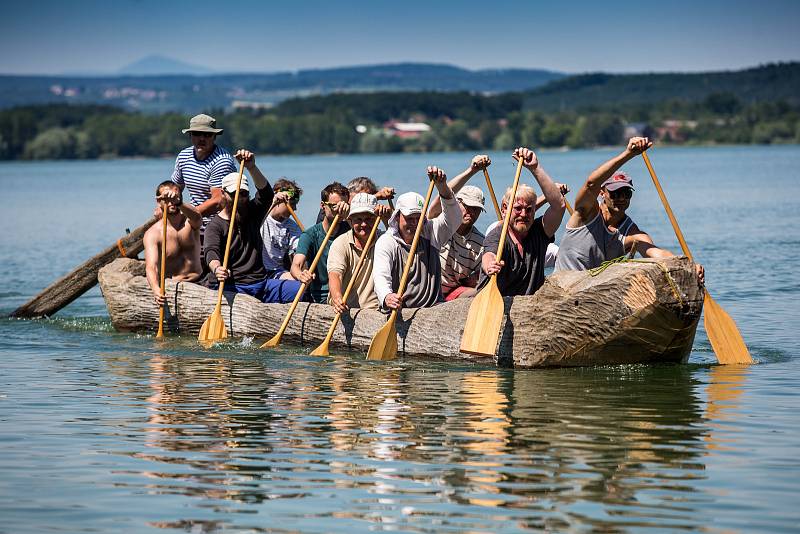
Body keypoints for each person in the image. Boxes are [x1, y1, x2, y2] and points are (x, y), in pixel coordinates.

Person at [554, 137, 705, 282]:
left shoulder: (631, 233)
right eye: (615, 193)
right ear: (602, 193)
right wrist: (629, 154)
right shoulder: (586, 212)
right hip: (561, 288)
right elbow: (591, 184)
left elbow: (658, 254)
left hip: (593, 298)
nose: (621, 198)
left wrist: (689, 268)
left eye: (626, 194)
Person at [204, 150, 304, 303]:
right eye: (234, 194)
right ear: (223, 194)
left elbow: (266, 194)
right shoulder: (215, 226)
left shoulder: (252, 213)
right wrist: (217, 269)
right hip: (233, 286)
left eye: (244, 194)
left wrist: (251, 167)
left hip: (261, 284)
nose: (240, 198)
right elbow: (211, 252)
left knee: (300, 290)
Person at [373, 166, 462, 311]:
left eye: (418, 218)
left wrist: (442, 186)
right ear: (397, 216)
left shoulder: (430, 232)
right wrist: (387, 296)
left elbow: (455, 218)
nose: (414, 224)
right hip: (399, 310)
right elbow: (380, 275)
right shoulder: (387, 242)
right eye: (409, 218)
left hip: (433, 308)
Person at [480, 147, 566, 296]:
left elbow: (559, 206)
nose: (524, 214)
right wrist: (490, 266)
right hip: (496, 305)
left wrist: (535, 168)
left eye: (529, 209)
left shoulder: (540, 231)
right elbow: (488, 256)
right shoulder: (498, 236)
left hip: (530, 308)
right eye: (518, 208)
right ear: (505, 209)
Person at [427, 155, 491, 300]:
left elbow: (476, 278)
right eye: (467, 206)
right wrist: (472, 170)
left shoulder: (481, 242)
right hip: (428, 289)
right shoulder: (440, 223)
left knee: (480, 292)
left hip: (455, 292)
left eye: (476, 209)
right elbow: (444, 195)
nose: (471, 212)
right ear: (456, 203)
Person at [170, 114, 237, 234]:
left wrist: (186, 216)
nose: (202, 138)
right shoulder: (184, 156)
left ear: (214, 136)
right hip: (194, 224)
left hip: (220, 227)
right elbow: (175, 188)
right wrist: (167, 207)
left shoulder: (222, 160)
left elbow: (217, 201)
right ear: (190, 135)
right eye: (197, 133)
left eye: (207, 134)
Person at [143, 181, 204, 306]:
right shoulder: (153, 234)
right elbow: (151, 267)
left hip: (200, 282)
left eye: (175, 198)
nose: (172, 202)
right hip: (173, 286)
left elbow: (197, 218)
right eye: (167, 199)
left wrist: (179, 202)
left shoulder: (190, 222)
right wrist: (156, 290)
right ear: (159, 202)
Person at [290, 182, 351, 303]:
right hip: (323, 297)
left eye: (343, 206)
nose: (339, 210)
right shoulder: (310, 235)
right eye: (334, 206)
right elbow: (295, 266)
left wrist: (349, 216)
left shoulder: (351, 229)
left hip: (348, 293)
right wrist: (301, 275)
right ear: (323, 206)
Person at [327, 193, 384, 313]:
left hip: (377, 312)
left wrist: (388, 218)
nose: (363, 224)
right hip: (346, 309)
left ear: (377, 219)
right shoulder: (340, 243)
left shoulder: (385, 240)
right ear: (350, 220)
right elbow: (335, 274)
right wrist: (337, 298)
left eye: (368, 219)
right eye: (358, 219)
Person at [260, 178, 303, 280]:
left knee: (301, 282)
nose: (295, 209)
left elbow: (299, 251)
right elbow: (255, 225)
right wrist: (272, 202)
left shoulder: (293, 227)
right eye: (292, 204)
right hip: (257, 271)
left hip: (277, 272)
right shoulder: (260, 217)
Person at [315, 176, 395, 224]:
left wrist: (387, 219)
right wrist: (377, 196)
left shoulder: (369, 221)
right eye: (354, 201)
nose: (357, 205)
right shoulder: (332, 209)